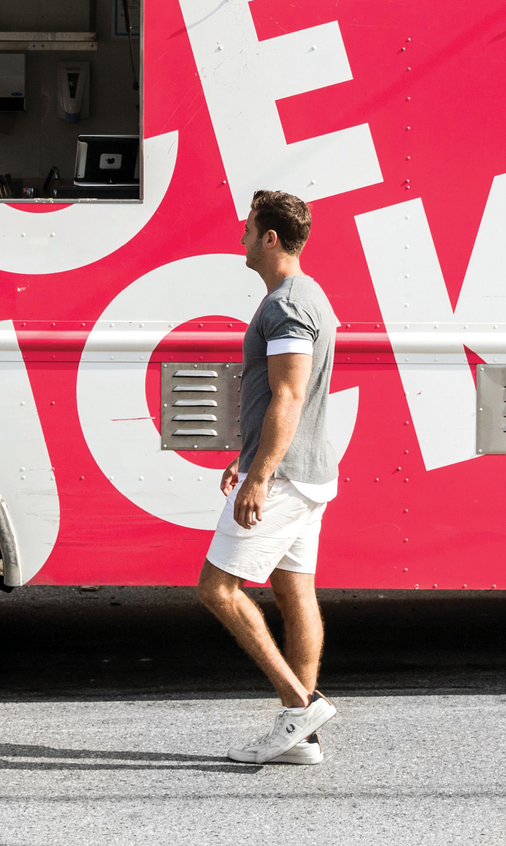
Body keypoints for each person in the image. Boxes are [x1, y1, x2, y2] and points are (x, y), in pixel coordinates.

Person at [196, 189, 339, 766]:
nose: (241, 238)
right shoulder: (310, 295)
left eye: (248, 229)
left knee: (217, 589)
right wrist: (246, 455)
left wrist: (259, 476)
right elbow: (282, 399)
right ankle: (300, 737)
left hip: (284, 478)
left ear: (270, 238)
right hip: (307, 473)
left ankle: (299, 705)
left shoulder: (285, 304)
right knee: (293, 589)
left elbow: (288, 393)